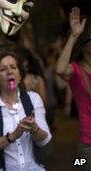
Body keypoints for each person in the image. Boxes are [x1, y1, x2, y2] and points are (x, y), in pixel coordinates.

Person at [0, 16, 52, 171]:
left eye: (13, 67)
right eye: (3, 69)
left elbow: (45, 140)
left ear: (20, 75)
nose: (9, 71)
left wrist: (34, 128)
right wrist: (12, 136)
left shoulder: (33, 99)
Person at [55, 7, 90, 170]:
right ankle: (75, 164)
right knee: (81, 164)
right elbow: (60, 69)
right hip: (88, 141)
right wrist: (73, 35)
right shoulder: (76, 69)